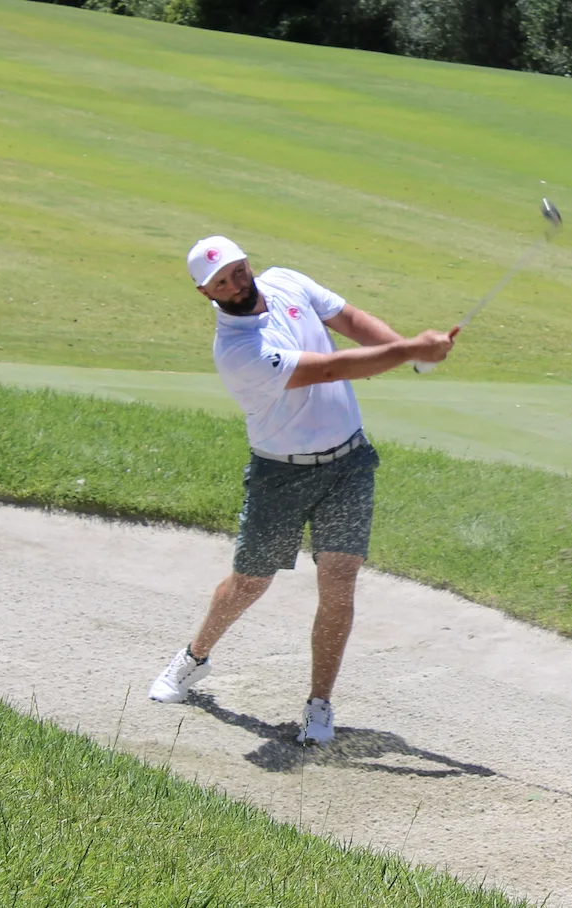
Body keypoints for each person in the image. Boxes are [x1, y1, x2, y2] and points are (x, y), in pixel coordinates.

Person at [148, 235, 457, 746]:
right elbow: (332, 368)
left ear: (247, 262)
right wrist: (410, 351)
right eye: (219, 282)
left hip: (350, 463)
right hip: (280, 474)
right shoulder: (238, 351)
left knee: (339, 581)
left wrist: (413, 353)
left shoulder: (287, 281)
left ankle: (319, 704)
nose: (234, 284)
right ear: (207, 294)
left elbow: (351, 321)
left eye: (236, 270)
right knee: (249, 583)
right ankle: (194, 657)